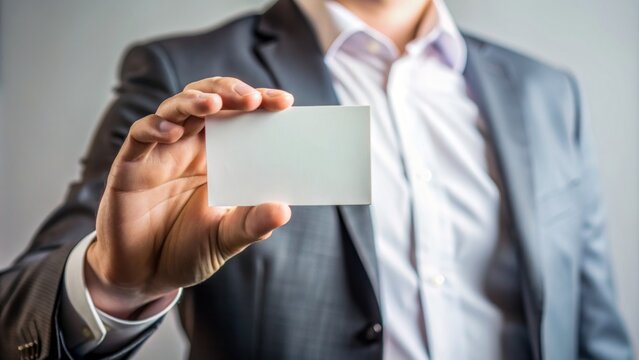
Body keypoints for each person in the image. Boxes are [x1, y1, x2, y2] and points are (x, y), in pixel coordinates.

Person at [0, 0, 633, 358]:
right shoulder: (186, 74)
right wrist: (113, 282)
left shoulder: (545, 92)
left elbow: (593, 328)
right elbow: (17, 325)